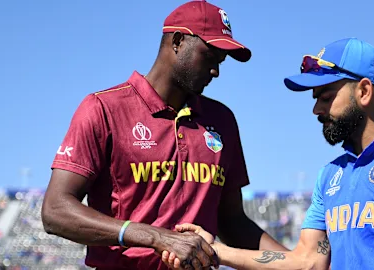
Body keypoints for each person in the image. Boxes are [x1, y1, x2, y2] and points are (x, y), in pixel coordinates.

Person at [162, 37, 374, 269]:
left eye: (325, 96)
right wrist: (217, 252)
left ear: (364, 91)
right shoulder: (331, 174)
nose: (316, 110)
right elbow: (306, 262)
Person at [40, 1, 287, 269]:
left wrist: (299, 262)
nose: (216, 71)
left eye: (221, 61)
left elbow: (233, 221)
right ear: (178, 41)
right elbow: (55, 211)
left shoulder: (222, 120)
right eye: (209, 56)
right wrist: (156, 237)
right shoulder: (103, 109)